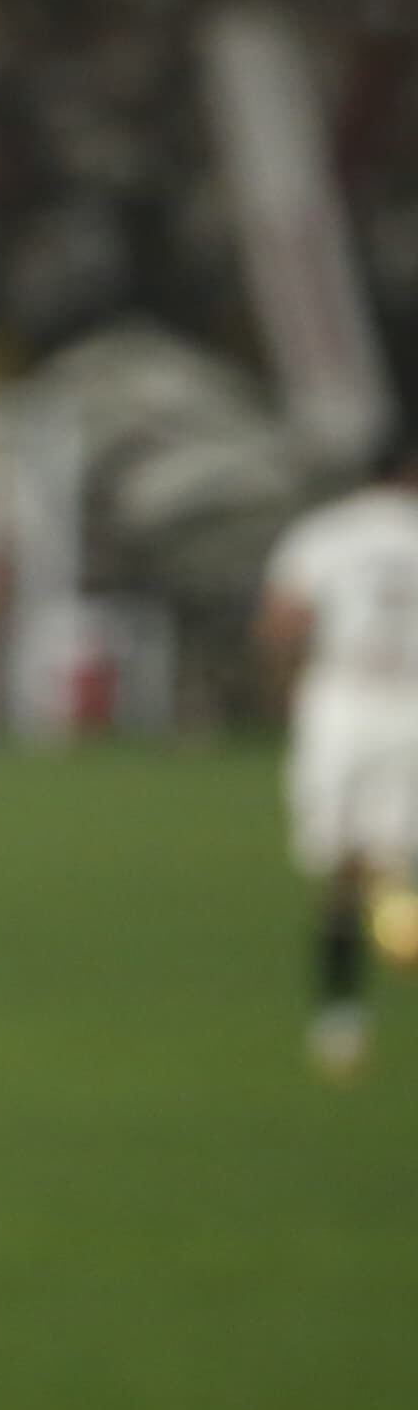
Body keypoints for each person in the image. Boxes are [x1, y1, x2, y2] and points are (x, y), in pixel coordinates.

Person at [252, 439, 418, 1080]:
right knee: (388, 863)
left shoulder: (328, 532)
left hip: (343, 698)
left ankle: (340, 1024)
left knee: (337, 870)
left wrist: (277, 691)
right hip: (408, 699)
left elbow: (283, 620)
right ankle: (392, 922)